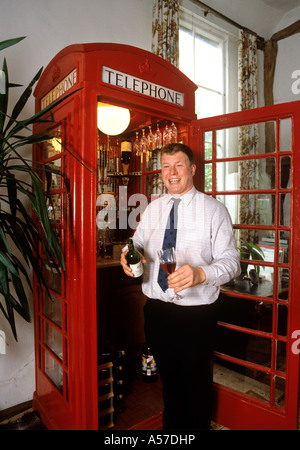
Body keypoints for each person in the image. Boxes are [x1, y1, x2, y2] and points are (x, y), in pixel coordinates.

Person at [121, 143, 240, 430]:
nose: (172, 172)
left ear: (192, 169)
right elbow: (136, 242)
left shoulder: (214, 210)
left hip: (196, 316)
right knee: (170, 386)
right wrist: (128, 254)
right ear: (160, 171)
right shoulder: (153, 208)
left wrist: (201, 274)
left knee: (196, 388)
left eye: (179, 165)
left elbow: (232, 262)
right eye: (166, 166)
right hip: (157, 312)